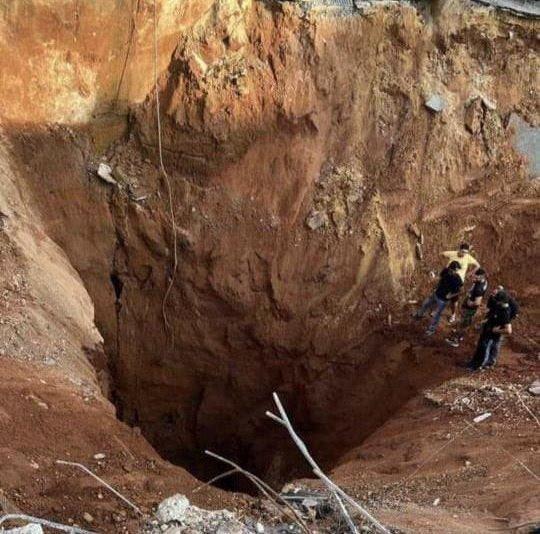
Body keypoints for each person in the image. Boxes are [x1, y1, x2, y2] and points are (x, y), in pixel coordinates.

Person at [467, 289, 515, 371]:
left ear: (502, 301)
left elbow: (508, 330)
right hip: (486, 331)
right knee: (480, 349)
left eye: (497, 300)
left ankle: (479, 367)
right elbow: (491, 316)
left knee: (484, 351)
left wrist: (496, 330)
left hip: (492, 336)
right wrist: (483, 322)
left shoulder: (505, 313)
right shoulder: (498, 306)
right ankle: (473, 363)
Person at [414, 261, 463, 336]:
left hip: (443, 300)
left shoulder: (457, 279)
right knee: (425, 304)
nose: (456, 272)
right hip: (436, 294)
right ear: (450, 268)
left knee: (436, 315)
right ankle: (419, 315)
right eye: (454, 270)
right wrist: (435, 288)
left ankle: (431, 330)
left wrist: (450, 295)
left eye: (457, 270)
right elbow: (440, 279)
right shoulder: (445, 271)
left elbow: (460, 290)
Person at [445, 268, 488, 348]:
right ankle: (460, 335)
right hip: (470, 308)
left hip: (469, 309)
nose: (474, 278)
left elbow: (477, 302)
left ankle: (455, 340)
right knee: (464, 323)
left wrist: (470, 303)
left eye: (476, 277)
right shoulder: (484, 282)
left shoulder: (479, 288)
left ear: (481, 276)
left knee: (463, 324)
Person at [441, 243, 480, 323]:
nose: (464, 254)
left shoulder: (468, 257)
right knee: (441, 295)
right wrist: (446, 266)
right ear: (459, 249)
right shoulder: (453, 253)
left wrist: (470, 273)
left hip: (457, 283)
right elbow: (442, 254)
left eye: (466, 252)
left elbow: (478, 265)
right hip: (448, 278)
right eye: (462, 251)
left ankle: (453, 315)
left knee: (454, 300)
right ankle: (437, 309)